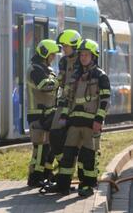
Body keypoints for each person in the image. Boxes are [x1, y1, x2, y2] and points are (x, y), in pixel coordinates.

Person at [46, 39, 110, 196]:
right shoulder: (75, 76)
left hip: (90, 124)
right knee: (67, 156)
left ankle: (88, 185)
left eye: (86, 54)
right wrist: (63, 118)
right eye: (81, 54)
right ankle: (63, 186)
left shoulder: (101, 76)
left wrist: (98, 120)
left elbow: (105, 101)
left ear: (93, 56)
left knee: (88, 157)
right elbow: (68, 99)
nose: (83, 57)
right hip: (74, 123)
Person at [45, 29, 82, 180]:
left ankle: (70, 173)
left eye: (66, 46)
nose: (63, 49)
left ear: (74, 45)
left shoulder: (83, 60)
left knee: (75, 141)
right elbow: (61, 79)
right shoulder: (63, 61)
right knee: (54, 134)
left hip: (77, 106)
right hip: (64, 104)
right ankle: (62, 163)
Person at [25, 39, 61, 187]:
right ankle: (35, 177)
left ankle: (46, 174)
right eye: (52, 55)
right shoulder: (35, 70)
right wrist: (59, 81)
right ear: (45, 53)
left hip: (49, 115)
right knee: (40, 148)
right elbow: (43, 85)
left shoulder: (47, 69)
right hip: (37, 115)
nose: (53, 58)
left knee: (48, 147)